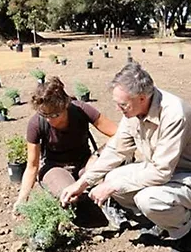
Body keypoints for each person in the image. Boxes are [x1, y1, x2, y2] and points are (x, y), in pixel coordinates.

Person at [60, 62, 191, 252]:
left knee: (147, 198)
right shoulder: (134, 111)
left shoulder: (174, 114)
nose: (118, 109)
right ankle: (166, 220)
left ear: (142, 98)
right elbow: (116, 150)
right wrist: (82, 183)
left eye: (123, 105)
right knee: (113, 177)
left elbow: (161, 172)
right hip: (169, 174)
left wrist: (111, 186)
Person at [13, 77, 118, 212]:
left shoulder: (81, 110)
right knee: (70, 197)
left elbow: (118, 134)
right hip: (55, 168)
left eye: (55, 115)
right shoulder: (36, 124)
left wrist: (96, 156)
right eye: (45, 114)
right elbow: (32, 166)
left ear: (65, 105)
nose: (49, 119)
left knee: (115, 166)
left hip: (84, 165)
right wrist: (22, 200)